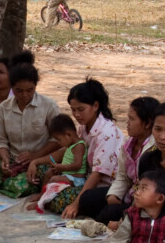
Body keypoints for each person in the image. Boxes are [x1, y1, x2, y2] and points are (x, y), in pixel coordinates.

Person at [0, 57, 58, 197]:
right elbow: (0, 141)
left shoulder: (49, 106)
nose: (25, 95)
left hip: (40, 160)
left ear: (35, 86)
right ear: (11, 87)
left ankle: (8, 184)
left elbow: (57, 140)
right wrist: (5, 159)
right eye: (19, 91)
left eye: (30, 90)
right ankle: (8, 182)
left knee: (27, 182)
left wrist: (35, 156)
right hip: (13, 158)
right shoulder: (3, 109)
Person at [73, 96, 157, 226]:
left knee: (108, 213)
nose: (127, 123)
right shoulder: (128, 144)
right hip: (127, 194)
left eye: (132, 119)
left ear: (147, 124)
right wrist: (114, 195)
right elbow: (122, 176)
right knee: (87, 199)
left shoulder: (153, 149)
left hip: (141, 201)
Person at [52, 79, 122, 218]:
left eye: (81, 109)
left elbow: (98, 174)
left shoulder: (106, 133)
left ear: (95, 106)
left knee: (74, 200)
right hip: (86, 178)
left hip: (106, 186)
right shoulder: (83, 127)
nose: (76, 115)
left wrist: (76, 203)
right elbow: (70, 149)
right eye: (73, 110)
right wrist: (36, 162)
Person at [31, 114, 88, 209]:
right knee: (49, 173)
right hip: (67, 174)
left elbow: (77, 165)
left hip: (76, 180)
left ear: (68, 135)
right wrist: (58, 167)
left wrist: (60, 167)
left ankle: (42, 202)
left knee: (54, 179)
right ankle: (42, 194)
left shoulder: (79, 146)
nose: (58, 143)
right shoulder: (70, 145)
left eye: (59, 139)